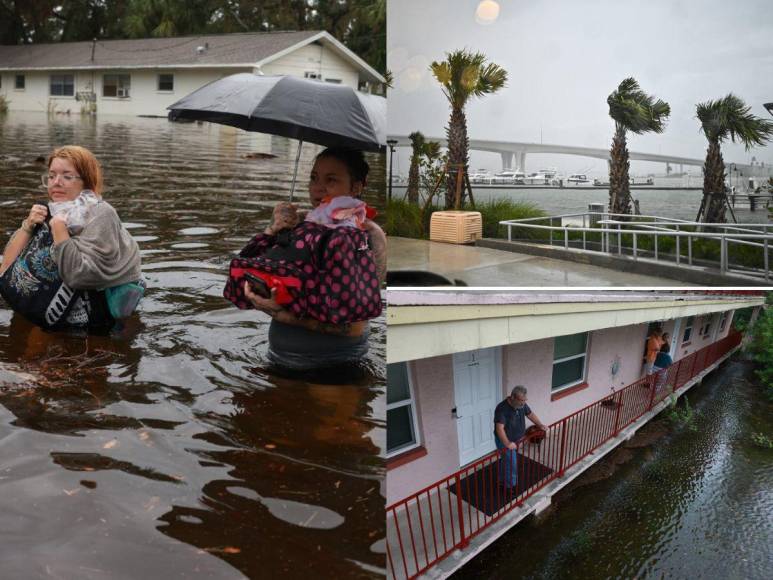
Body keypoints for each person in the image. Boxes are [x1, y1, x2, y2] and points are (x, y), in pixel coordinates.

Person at [224, 147, 386, 369]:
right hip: (279, 357)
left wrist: (284, 316)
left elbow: (353, 326)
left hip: (335, 365)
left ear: (356, 186)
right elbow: (246, 269)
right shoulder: (300, 223)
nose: (318, 189)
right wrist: (273, 230)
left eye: (331, 180)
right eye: (314, 178)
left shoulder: (366, 235)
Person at [0, 145, 142, 329]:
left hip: (92, 320)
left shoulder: (100, 214)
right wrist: (27, 226)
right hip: (48, 310)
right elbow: (6, 268)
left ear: (86, 181)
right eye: (51, 176)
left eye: (67, 176)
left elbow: (80, 277)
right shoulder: (49, 210)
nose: (56, 183)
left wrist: (59, 230)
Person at [493, 386, 547, 490]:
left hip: (515, 439)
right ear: (513, 397)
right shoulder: (502, 409)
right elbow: (499, 429)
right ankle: (510, 487)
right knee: (512, 462)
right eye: (521, 401)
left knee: (507, 460)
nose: (523, 403)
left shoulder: (521, 405)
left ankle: (501, 480)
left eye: (525, 400)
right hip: (504, 440)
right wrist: (508, 443)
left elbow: (530, 414)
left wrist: (540, 425)